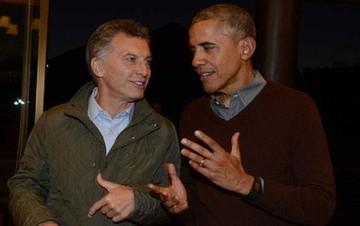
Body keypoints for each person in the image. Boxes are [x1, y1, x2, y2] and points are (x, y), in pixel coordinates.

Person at [148, 3, 336, 226]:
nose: (196, 61)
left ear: (245, 48)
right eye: (193, 50)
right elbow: (200, 209)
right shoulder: (193, 113)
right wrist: (181, 205)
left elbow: (320, 207)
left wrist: (246, 184)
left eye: (208, 47)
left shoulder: (296, 107)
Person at [8, 19, 180, 226]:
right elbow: (25, 185)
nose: (144, 71)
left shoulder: (162, 132)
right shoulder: (53, 122)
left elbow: (171, 206)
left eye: (147, 61)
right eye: (131, 59)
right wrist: (40, 221)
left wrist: (138, 201)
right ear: (98, 67)